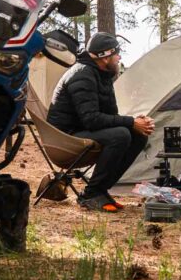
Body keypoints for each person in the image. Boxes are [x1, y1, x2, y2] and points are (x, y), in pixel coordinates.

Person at [47, 32, 154, 212]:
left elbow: (109, 115)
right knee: (120, 135)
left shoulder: (102, 75)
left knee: (137, 135)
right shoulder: (82, 75)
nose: (119, 57)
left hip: (82, 131)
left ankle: (100, 190)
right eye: (116, 54)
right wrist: (129, 122)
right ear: (105, 57)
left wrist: (135, 123)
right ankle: (91, 194)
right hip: (64, 139)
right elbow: (91, 119)